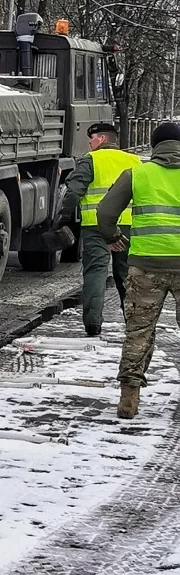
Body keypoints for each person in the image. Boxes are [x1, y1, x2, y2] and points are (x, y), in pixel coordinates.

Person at [97, 121, 180, 419]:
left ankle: (129, 399)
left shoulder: (138, 174)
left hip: (145, 267)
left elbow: (105, 213)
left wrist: (113, 237)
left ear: (155, 146)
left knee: (138, 332)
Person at [54, 121, 139, 335]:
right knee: (126, 275)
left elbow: (72, 192)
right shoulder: (134, 161)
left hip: (95, 227)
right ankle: (134, 323)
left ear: (101, 138)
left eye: (92, 138)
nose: (90, 143)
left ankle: (93, 324)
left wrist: (62, 220)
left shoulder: (91, 160)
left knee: (96, 272)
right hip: (129, 225)